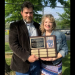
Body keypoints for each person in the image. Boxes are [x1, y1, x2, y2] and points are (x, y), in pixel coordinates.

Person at [9, 1, 41, 75]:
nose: (28, 15)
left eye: (31, 12)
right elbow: (13, 44)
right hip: (22, 64)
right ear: (21, 13)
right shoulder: (15, 26)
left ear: (33, 13)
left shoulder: (38, 26)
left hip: (37, 63)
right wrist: (27, 57)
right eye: (26, 12)